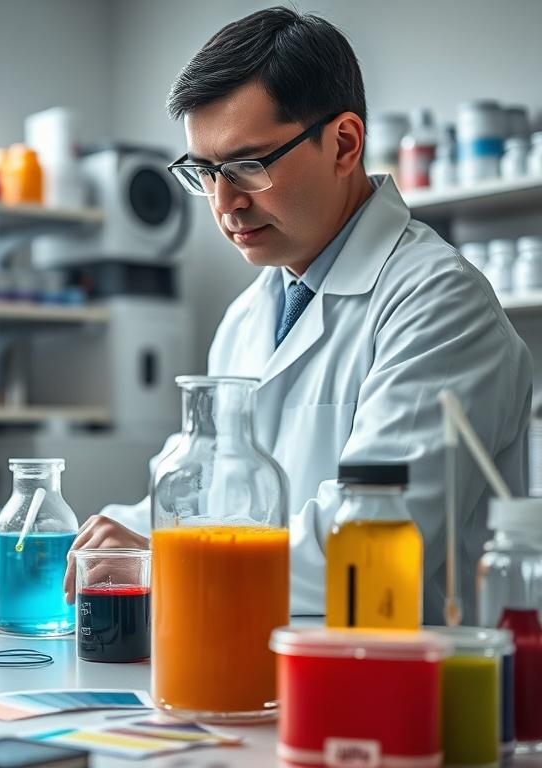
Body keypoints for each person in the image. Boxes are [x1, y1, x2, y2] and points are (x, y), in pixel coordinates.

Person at [63, 6, 532, 624]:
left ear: (343, 143)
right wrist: (110, 537)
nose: (224, 203)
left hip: (408, 684)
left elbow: (368, 551)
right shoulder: (247, 317)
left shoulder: (438, 302)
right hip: (255, 664)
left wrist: (164, 561)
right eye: (204, 173)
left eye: (248, 166)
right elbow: (195, 498)